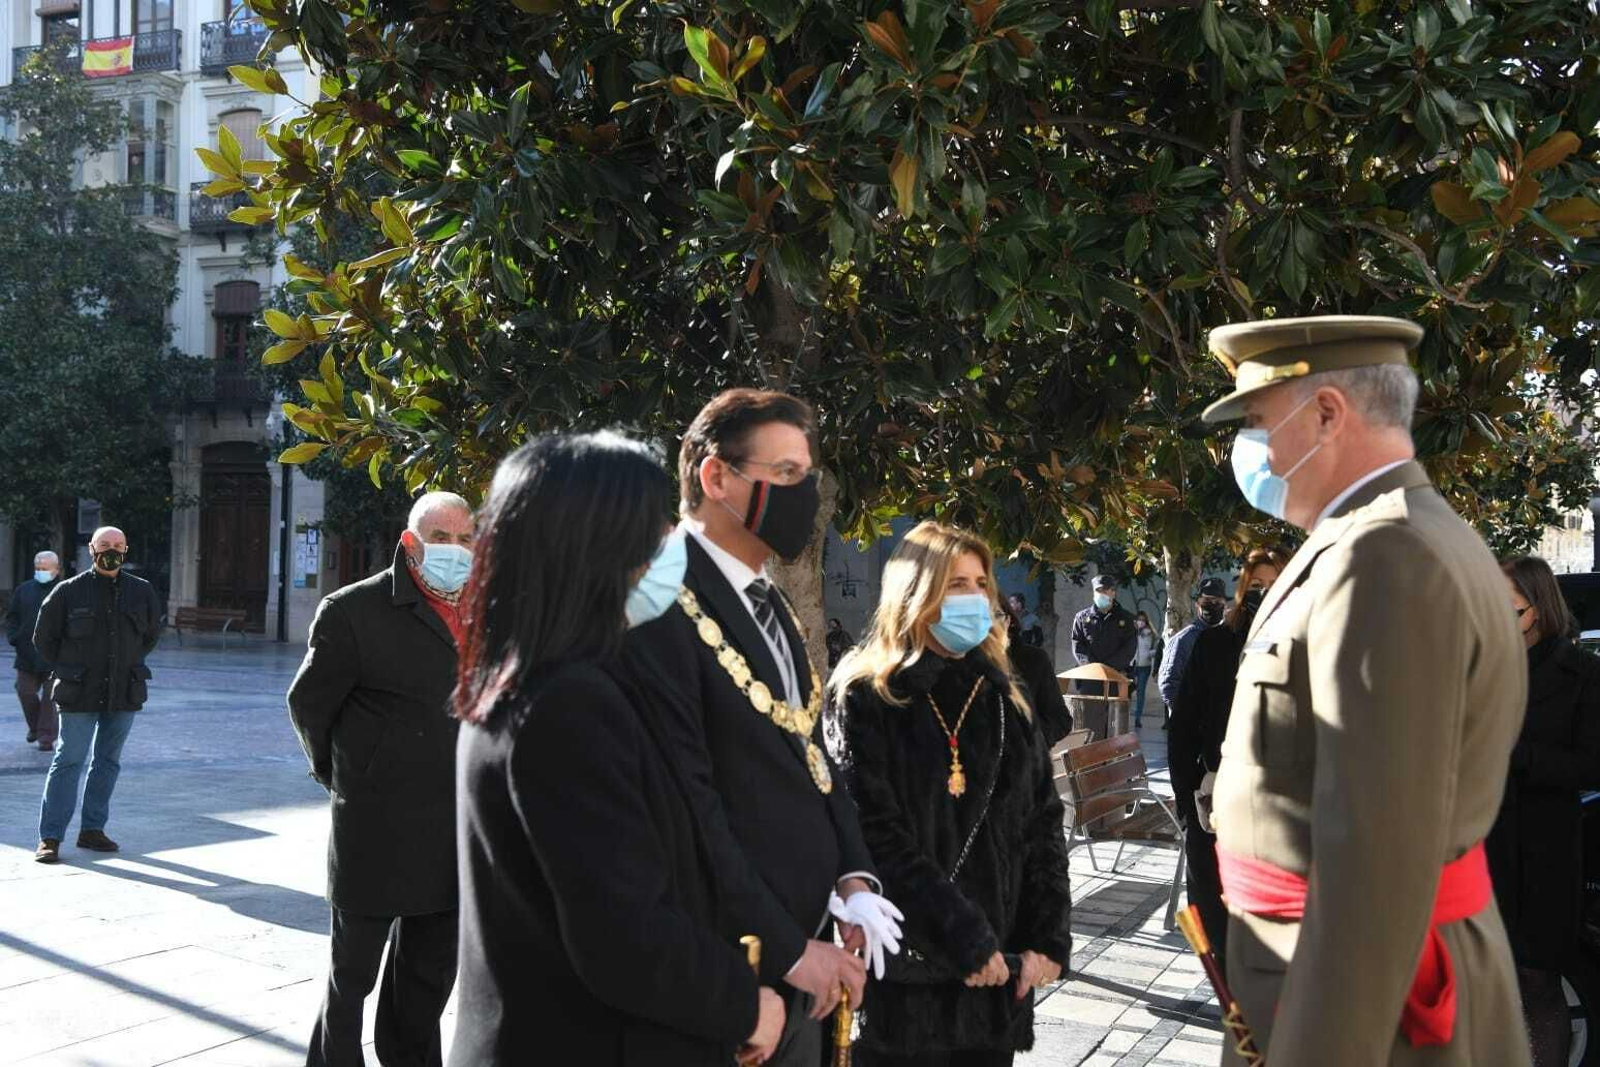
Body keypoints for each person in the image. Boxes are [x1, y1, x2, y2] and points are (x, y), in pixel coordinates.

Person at [1204, 315, 1530, 1066]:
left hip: (1362, 1009)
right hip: (1336, 981)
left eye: (1256, 420)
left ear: (1326, 413)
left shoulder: (1385, 554)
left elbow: (1372, 862)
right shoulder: (1384, 535)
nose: (1247, 448)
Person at [450, 433, 787, 1066]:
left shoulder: (526, 679)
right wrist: (746, 1003)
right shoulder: (569, 702)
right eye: (654, 528)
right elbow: (622, 934)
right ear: (597, 546)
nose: (671, 543)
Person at [622, 388, 897, 1065]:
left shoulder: (766, 593)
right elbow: (694, 805)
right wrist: (789, 948)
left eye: (807, 473)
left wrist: (852, 876)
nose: (804, 494)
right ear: (716, 477)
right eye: (787, 475)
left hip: (803, 955)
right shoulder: (657, 600)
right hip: (731, 966)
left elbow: (810, 752)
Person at [829, 521, 1072, 1066]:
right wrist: (962, 938)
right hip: (905, 982)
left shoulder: (1006, 695)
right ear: (916, 593)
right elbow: (873, 833)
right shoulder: (866, 695)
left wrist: (1045, 938)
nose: (973, 597)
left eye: (979, 583)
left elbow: (1042, 823)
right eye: (955, 584)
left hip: (996, 984)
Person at [287, 491, 474, 1067]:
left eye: (467, 538)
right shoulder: (352, 611)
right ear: (411, 545)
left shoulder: (487, 611)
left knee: (425, 982)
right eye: (442, 538)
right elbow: (309, 706)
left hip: (454, 830)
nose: (457, 550)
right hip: (376, 826)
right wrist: (348, 776)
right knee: (353, 981)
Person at [1489, 556, 1600, 1067]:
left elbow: (1590, 765)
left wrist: (1520, 755)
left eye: (1509, 611)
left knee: (1537, 982)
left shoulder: (1580, 673)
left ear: (1539, 609)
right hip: (1483, 845)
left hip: (1545, 848)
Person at [1166, 549, 1286, 973]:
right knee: (1212, 905)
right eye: (1254, 587)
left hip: (1279, 805)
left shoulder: (1307, 647)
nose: (1262, 595)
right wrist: (1186, 800)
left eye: (1272, 586)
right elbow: (1182, 726)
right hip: (1214, 798)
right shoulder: (1214, 645)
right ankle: (1226, 983)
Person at [32, 527, 162, 864]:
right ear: (91, 549)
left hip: (124, 690)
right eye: (105, 545)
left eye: (118, 545)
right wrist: (71, 667)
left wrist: (127, 662)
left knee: (108, 762)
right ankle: (50, 837)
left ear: (127, 550)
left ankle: (92, 830)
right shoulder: (67, 592)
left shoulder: (142, 591)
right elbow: (43, 639)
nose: (112, 551)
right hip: (79, 691)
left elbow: (149, 636)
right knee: (69, 760)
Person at [1069, 574, 1137, 738]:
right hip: (1090, 681)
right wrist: (1095, 668)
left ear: (1113, 592)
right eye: (1098, 590)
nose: (1101, 593)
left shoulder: (1126, 619)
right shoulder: (1082, 618)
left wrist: (1109, 669)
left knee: (1114, 729)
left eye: (1105, 590)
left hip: (1116, 679)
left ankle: (1112, 761)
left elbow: (1129, 649)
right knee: (1088, 727)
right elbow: (1078, 645)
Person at [1155, 577, 1227, 730]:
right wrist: (1190, 718)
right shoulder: (1183, 640)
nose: (1213, 606)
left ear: (1224, 605)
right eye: (1207, 601)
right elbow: (1168, 684)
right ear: (1197, 605)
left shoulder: (1228, 638)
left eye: (1217, 602)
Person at [8, 550, 61, 750]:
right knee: (25, 692)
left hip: (54, 657)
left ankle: (45, 738)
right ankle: (36, 727)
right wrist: (15, 638)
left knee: (50, 699)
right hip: (26, 655)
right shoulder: (23, 590)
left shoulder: (65, 590)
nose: (40, 572)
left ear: (56, 569)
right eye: (37, 569)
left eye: (44, 569)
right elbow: (12, 618)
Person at [1001, 598, 1070, 747]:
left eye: (995, 616)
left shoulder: (1034, 661)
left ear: (1009, 620)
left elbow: (1060, 720)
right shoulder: (963, 663)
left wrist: (1030, 738)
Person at [1131, 612, 1157, 729]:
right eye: (1138, 620)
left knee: (1140, 692)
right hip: (1132, 666)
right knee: (1126, 692)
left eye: (1143, 620)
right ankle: (1123, 714)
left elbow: (1156, 649)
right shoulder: (1131, 633)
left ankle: (1138, 718)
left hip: (1144, 667)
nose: (1140, 622)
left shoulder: (1150, 634)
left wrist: (1148, 654)